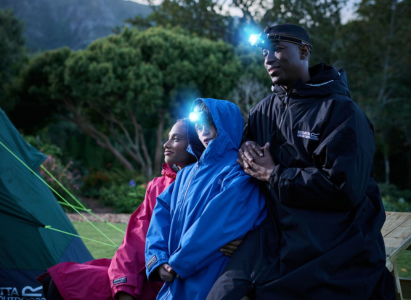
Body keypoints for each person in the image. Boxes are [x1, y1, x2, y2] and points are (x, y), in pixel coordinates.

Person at [207, 24, 396, 300]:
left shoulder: (341, 112)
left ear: (304, 51)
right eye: (263, 53)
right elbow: (241, 175)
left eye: (277, 50)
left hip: (335, 247)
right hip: (272, 238)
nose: (268, 59)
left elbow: (346, 188)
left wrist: (275, 174)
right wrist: (244, 149)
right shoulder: (262, 112)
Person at [39, 119, 239, 300]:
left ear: (194, 145)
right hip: (148, 269)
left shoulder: (219, 183)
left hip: (173, 278)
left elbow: (223, 227)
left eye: (175, 139)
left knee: (68, 285)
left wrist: (240, 242)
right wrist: (124, 283)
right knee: (60, 279)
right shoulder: (159, 186)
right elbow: (136, 240)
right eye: (167, 138)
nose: (166, 145)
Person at [145, 98, 267, 300]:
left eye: (213, 125)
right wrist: (157, 259)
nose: (205, 132)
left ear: (229, 125)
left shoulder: (239, 174)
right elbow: (161, 214)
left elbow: (214, 225)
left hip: (210, 280)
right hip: (175, 280)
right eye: (200, 126)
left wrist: (177, 263)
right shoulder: (185, 174)